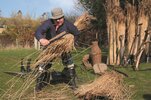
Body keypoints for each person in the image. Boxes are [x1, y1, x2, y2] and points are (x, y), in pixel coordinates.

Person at [35, 7, 80, 92]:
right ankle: (39, 86)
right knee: (43, 66)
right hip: (50, 48)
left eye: (60, 18)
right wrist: (41, 39)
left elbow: (77, 33)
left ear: (63, 16)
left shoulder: (68, 25)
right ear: (53, 18)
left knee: (70, 64)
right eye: (56, 19)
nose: (58, 20)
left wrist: (71, 43)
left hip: (63, 48)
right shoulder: (48, 23)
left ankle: (73, 85)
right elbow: (38, 31)